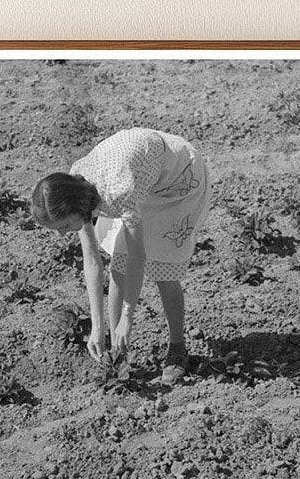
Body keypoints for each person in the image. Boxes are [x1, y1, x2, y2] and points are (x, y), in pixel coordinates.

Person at [30, 127, 210, 385]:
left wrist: (128, 316)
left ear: (76, 209)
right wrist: (96, 328)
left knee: (163, 269)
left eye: (62, 226)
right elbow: (92, 261)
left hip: (177, 181)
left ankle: (177, 348)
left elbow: (140, 256)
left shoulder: (120, 192)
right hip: (141, 181)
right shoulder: (75, 184)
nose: (60, 235)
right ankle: (117, 353)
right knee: (119, 265)